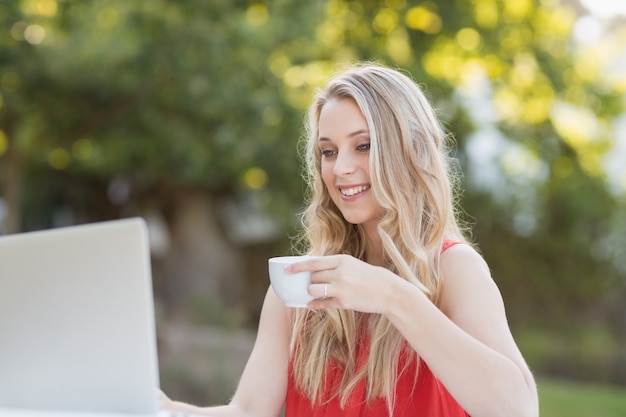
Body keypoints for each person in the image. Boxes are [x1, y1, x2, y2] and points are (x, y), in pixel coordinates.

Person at [159, 62, 539, 417]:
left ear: (410, 150)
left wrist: (393, 297)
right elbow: (246, 411)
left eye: (363, 145)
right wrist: (166, 410)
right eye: (328, 151)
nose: (340, 168)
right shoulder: (298, 287)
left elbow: (517, 407)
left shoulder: (453, 269)